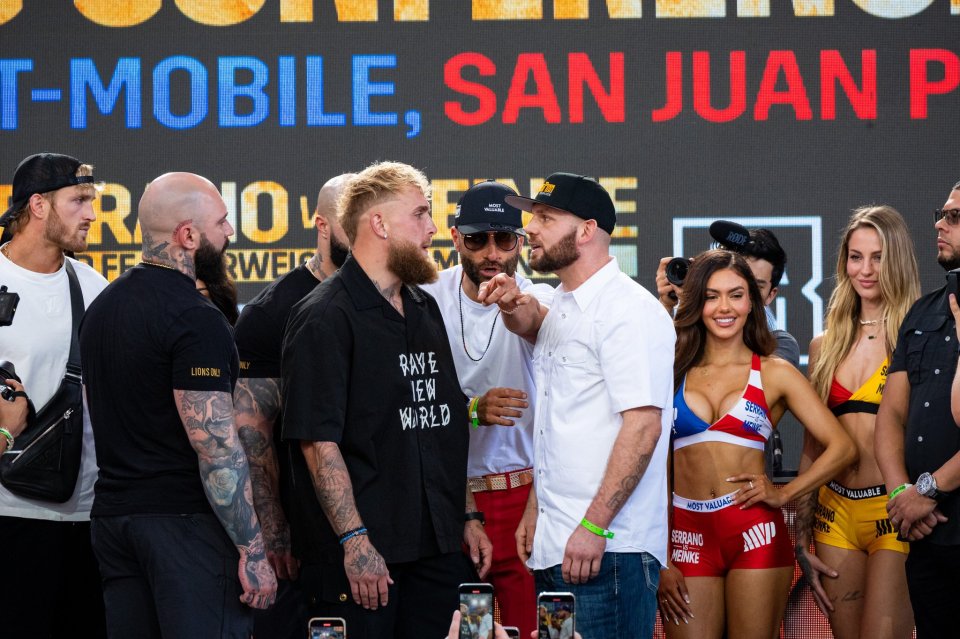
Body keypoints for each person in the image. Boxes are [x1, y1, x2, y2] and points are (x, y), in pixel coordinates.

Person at [282, 161, 487, 638]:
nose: (433, 228)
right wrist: (355, 541)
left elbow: (442, 422)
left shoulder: (424, 307)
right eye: (419, 214)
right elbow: (317, 443)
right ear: (378, 224)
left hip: (438, 547)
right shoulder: (323, 317)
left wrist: (469, 514)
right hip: (365, 558)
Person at [79, 172, 277, 637]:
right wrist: (252, 552)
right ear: (188, 235)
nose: (230, 233)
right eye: (223, 222)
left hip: (113, 524)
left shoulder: (102, 307)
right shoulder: (194, 318)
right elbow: (217, 450)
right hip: (183, 531)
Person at [479, 172, 674, 639]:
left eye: (545, 218)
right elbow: (556, 425)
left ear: (586, 231)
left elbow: (644, 427)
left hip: (609, 555)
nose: (530, 229)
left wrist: (595, 526)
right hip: (558, 549)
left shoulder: (628, 310)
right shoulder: (565, 304)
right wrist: (537, 510)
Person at [655, 249, 856, 639]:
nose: (724, 307)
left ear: (753, 301)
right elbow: (657, 470)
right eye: (712, 296)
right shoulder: (671, 366)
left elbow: (842, 447)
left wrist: (785, 494)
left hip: (755, 532)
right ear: (697, 302)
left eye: (736, 294)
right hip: (686, 534)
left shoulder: (774, 371)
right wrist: (662, 556)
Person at [421, 180, 553, 636]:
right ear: (455, 237)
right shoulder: (424, 297)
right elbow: (400, 396)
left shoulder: (542, 301)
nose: (491, 252)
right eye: (477, 239)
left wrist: (516, 309)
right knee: (461, 630)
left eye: (503, 239)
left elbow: (531, 316)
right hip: (448, 497)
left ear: (520, 242)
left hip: (523, 497)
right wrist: (471, 409)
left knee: (524, 627)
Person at [232, 172, 353, 638]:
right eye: (350, 219)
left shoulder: (392, 298)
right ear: (321, 224)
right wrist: (274, 528)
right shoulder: (270, 314)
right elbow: (252, 434)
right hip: (305, 535)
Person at [795, 206, 919, 639]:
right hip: (834, 516)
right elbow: (814, 444)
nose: (865, 270)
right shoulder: (825, 344)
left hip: (894, 512)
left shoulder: (918, 334)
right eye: (855, 256)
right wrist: (800, 538)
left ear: (898, 260)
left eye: (878, 257)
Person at [0, 152, 108, 638]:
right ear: (38, 205)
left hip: (86, 517)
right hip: (11, 515)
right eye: (79, 200)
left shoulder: (94, 287)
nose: (91, 213)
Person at [876, 180, 960, 639]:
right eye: (941, 213)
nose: (940, 224)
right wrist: (900, 496)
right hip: (924, 532)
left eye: (954, 217)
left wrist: (927, 490)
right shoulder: (922, 312)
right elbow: (891, 415)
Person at [656, 226, 800, 368]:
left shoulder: (780, 345)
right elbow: (655, 369)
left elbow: (750, 386)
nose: (743, 295)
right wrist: (666, 306)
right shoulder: (685, 340)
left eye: (755, 286)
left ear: (771, 295)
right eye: (715, 293)